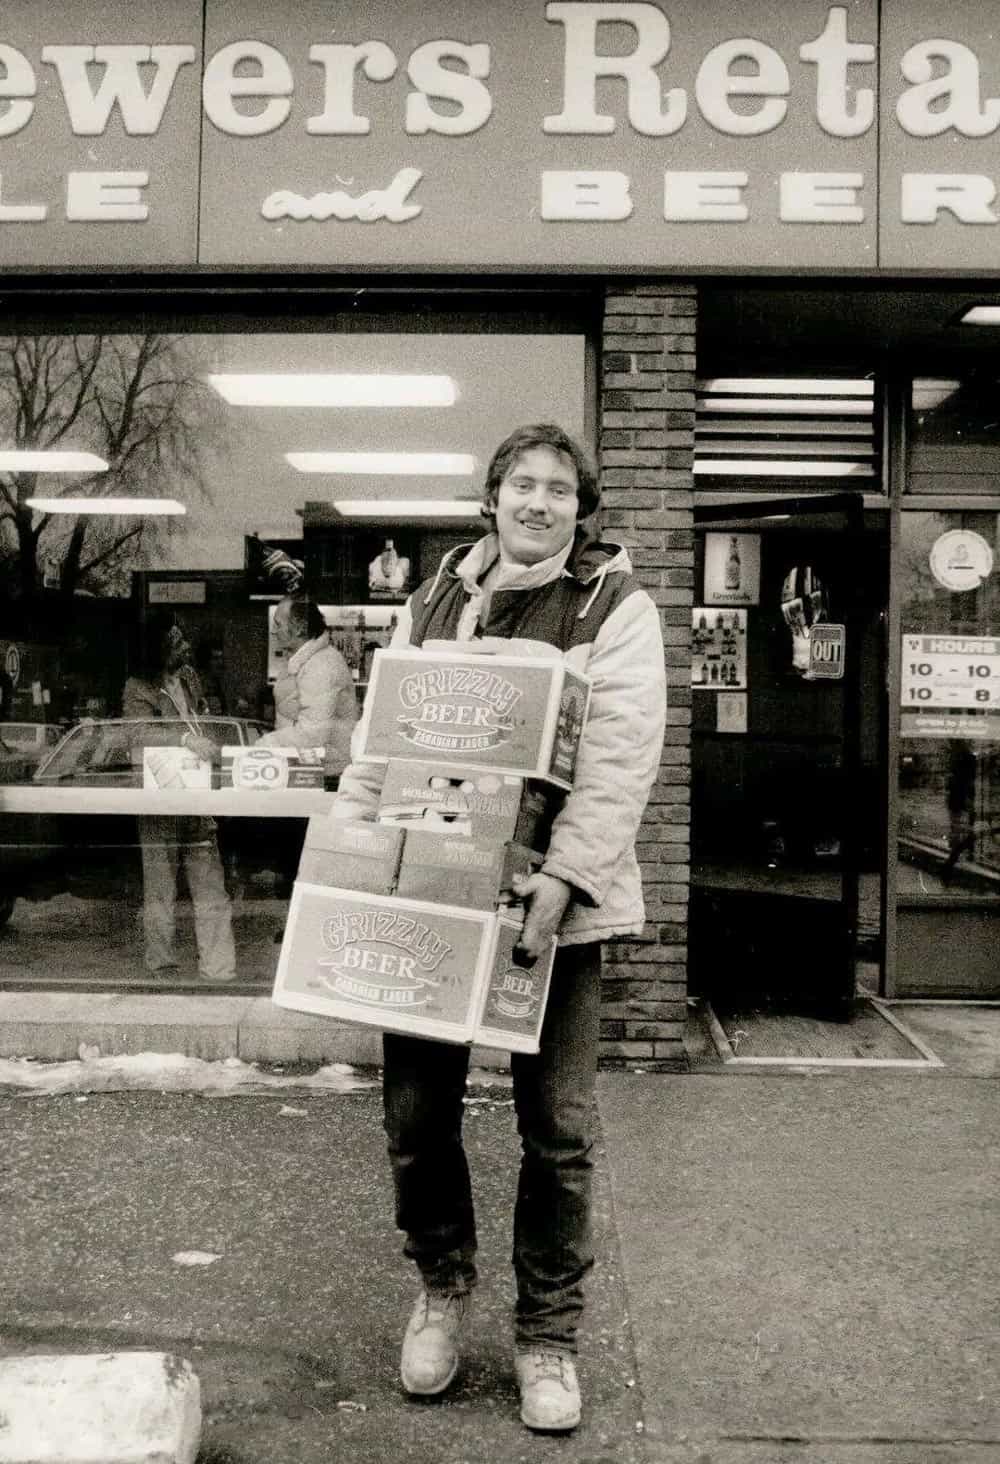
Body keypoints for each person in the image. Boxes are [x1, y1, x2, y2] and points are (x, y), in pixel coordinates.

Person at [330, 423, 666, 1432]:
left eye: (559, 490)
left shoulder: (614, 605)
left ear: (580, 509)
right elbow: (380, 740)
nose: (539, 502)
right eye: (522, 484)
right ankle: (441, 1285)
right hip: (430, 893)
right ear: (491, 497)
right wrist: (349, 862)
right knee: (415, 1119)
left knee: (557, 1132)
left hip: (552, 907)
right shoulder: (432, 599)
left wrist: (566, 876)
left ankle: (548, 1338)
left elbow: (619, 758)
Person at [123, 612, 237, 984]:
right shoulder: (137, 687)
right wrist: (185, 740)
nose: (185, 645)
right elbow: (137, 737)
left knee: (210, 885)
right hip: (161, 798)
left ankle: (219, 970)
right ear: (157, 649)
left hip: (197, 794)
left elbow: (203, 719)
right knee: (160, 889)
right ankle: (162, 970)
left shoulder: (189, 678)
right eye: (176, 641)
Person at [255, 595, 357, 771]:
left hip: (326, 772)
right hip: (308, 766)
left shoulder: (322, 666)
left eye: (278, 624)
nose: (273, 630)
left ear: (300, 628)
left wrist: (264, 745)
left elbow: (313, 734)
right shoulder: (303, 660)